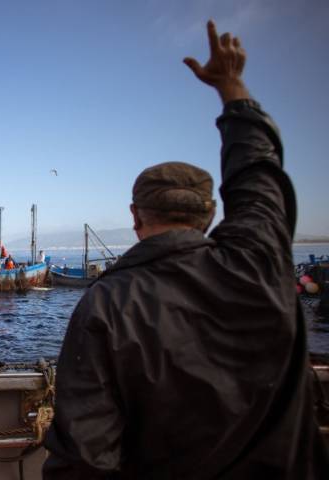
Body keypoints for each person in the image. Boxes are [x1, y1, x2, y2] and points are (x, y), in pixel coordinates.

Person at [44, 20, 329, 479]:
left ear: (135, 217)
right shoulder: (261, 262)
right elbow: (259, 176)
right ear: (209, 215)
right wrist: (232, 87)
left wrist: (230, 88)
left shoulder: (105, 305)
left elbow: (83, 460)